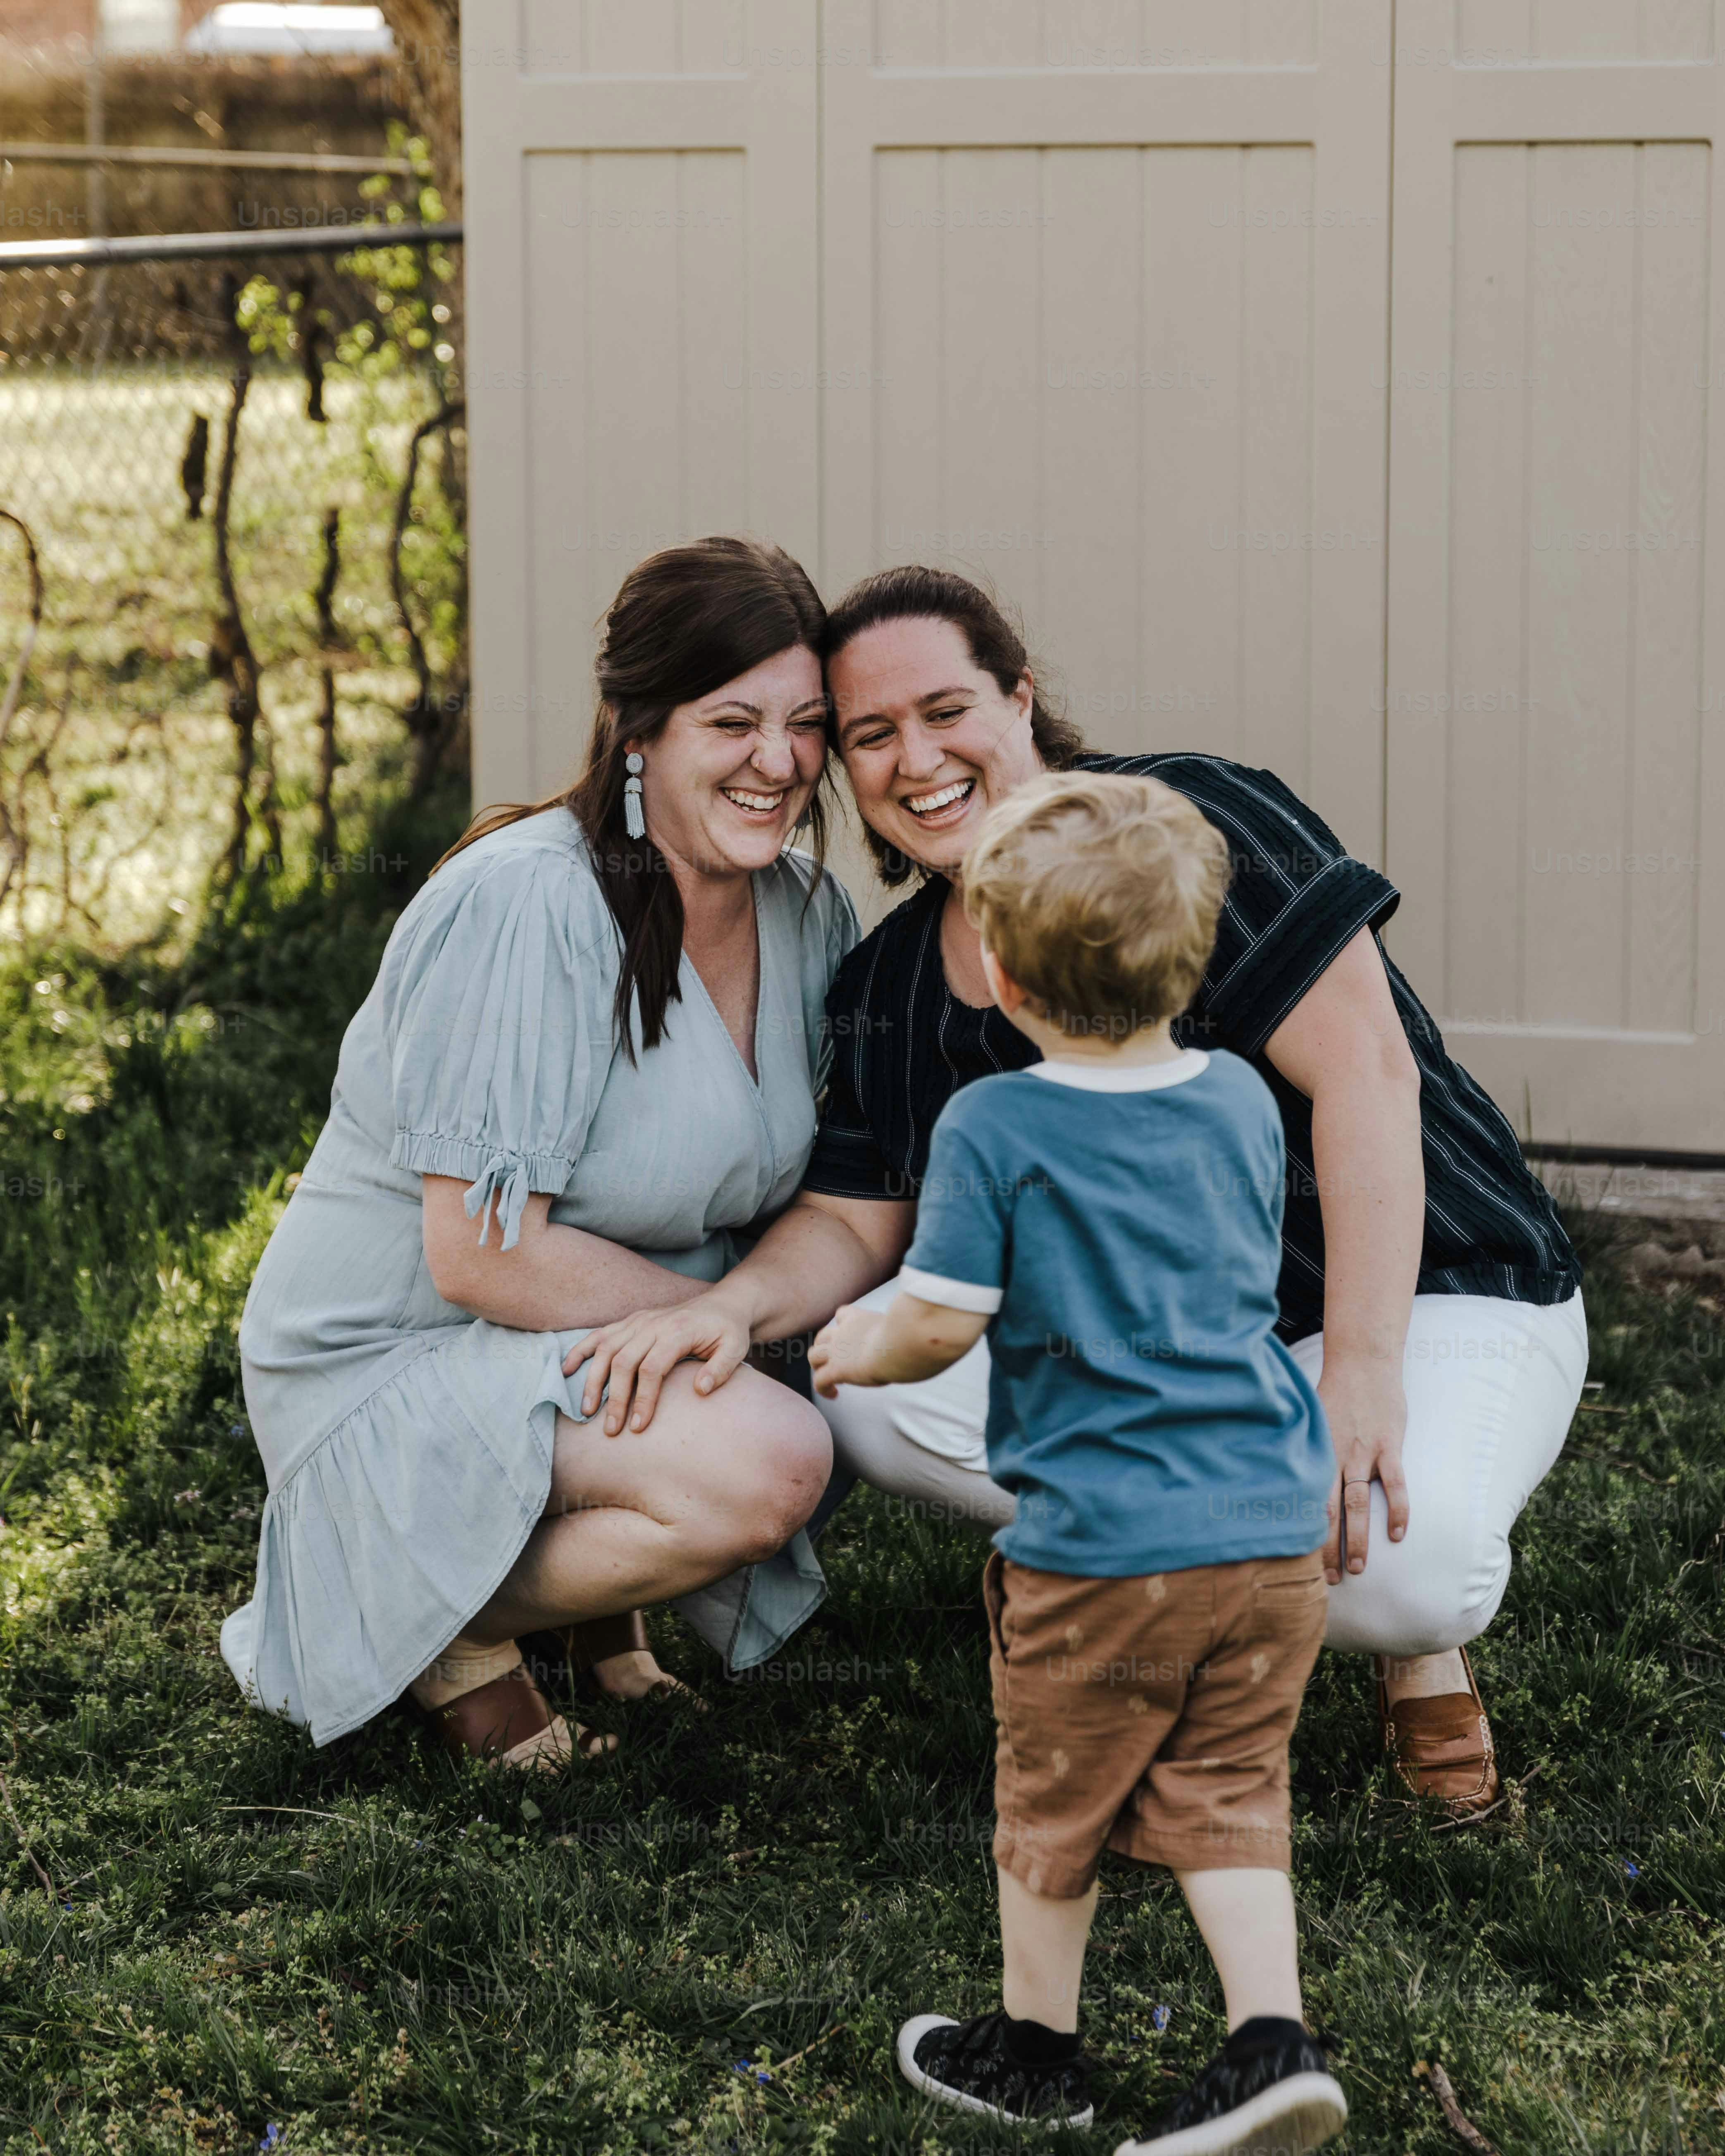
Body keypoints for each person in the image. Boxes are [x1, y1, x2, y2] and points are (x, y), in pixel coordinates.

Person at [573, 566, 1589, 1817]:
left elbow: (1367, 1080)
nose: (917, 759)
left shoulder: (1186, 820)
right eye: (873, 735)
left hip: (1433, 1288)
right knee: (863, 1388)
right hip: (1176, 1358)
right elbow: (853, 1217)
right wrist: (734, 1311)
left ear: (1020, 699)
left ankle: (1396, 1646)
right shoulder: (891, 985)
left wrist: (1362, 1373)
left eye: (946, 711)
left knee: (1415, 1577)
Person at [220, 537, 855, 1768]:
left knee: (841, 1369)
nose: (779, 764)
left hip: (579, 1338)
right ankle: (422, 1617)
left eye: (808, 724)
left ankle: (572, 1598)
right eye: (733, 722)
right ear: (637, 732)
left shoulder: (807, 910)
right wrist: (738, 1321)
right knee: (777, 1457)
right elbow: (479, 1255)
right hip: (391, 1358)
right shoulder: (527, 904)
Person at [809, 771, 1347, 2153]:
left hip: (1110, 1546)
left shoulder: (1000, 1126)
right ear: (1197, 956)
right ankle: (1270, 2042)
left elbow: (942, 1323)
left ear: (996, 968)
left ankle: (1033, 2055)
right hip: (1271, 1527)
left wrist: (861, 1346)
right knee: (1229, 1791)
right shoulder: (1236, 1096)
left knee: (1056, 1801)